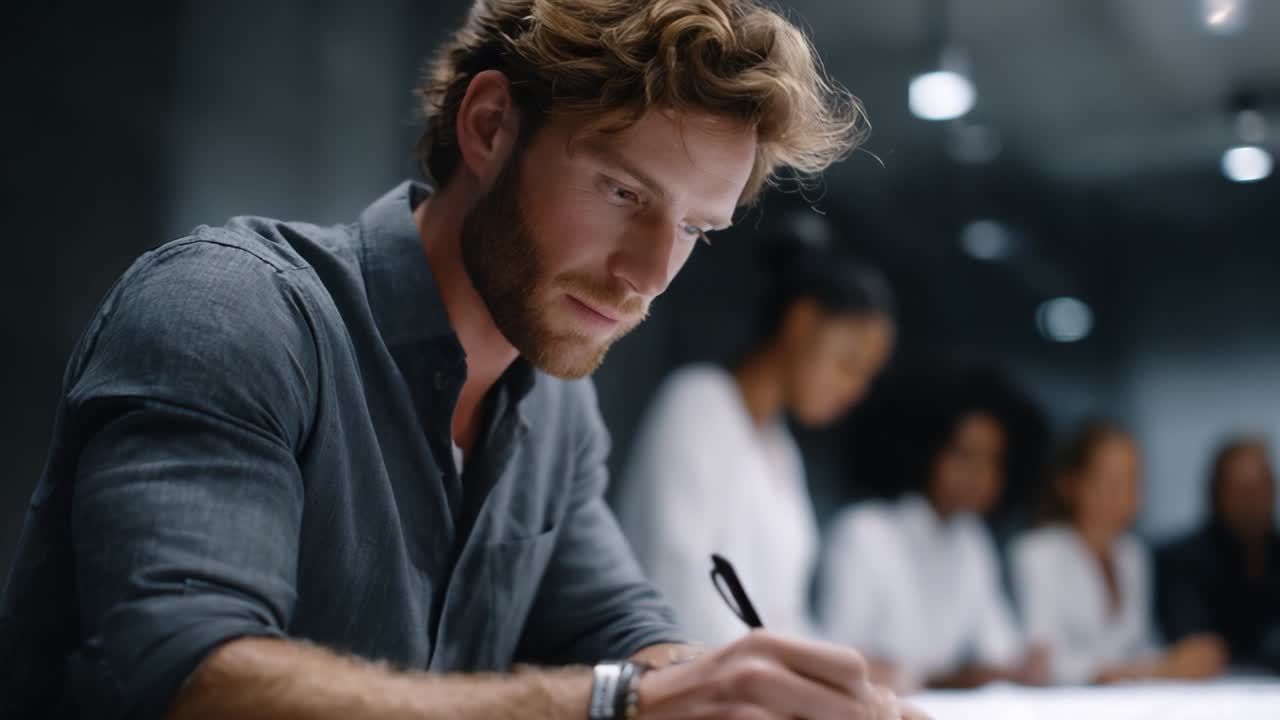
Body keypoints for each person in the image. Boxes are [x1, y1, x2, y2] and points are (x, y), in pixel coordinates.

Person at [0, 1, 924, 719]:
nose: (648, 275)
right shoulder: (232, 312)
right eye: (622, 191)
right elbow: (183, 677)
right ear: (488, 126)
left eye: (693, 228)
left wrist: (749, 694)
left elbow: (617, 628)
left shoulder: (555, 406)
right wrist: (620, 702)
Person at [614, 228, 895, 650]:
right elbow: (679, 583)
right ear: (801, 323)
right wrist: (785, 668)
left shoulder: (780, 448)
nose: (855, 390)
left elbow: (785, 614)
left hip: (749, 677)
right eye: (849, 364)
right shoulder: (699, 402)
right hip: (683, 670)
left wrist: (843, 664)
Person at [819, 373, 1049, 690]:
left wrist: (1024, 664)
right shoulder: (863, 532)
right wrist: (951, 677)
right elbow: (841, 658)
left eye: (994, 461)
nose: (983, 474)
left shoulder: (972, 539)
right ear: (927, 450)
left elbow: (999, 648)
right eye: (967, 456)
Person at [1010, 420, 1225, 685]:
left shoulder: (1132, 555)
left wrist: (1183, 656)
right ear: (1071, 484)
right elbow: (1041, 659)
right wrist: (1147, 670)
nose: (1122, 496)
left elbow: (1138, 645)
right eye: (1110, 482)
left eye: (1132, 481)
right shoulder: (1038, 553)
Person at [1157, 436, 1280, 673]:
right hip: (1209, 687)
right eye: (1241, 490)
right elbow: (1194, 645)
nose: (1253, 501)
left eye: (1261, 488)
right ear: (1216, 493)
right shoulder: (1183, 561)